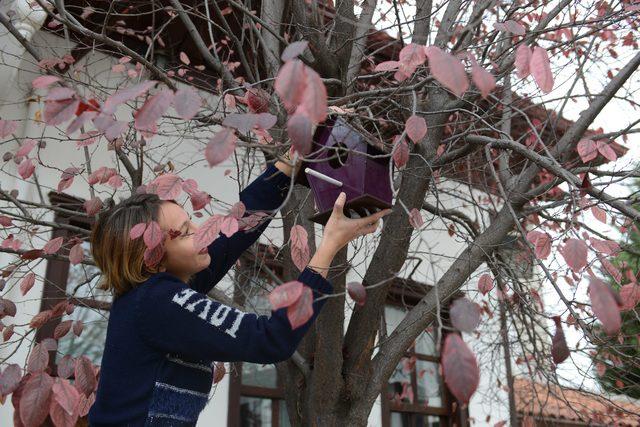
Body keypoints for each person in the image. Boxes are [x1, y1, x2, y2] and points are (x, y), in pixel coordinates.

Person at [87, 154, 391, 426]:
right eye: (183, 234)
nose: (201, 231)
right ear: (150, 258)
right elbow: (272, 339)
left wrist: (292, 158)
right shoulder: (157, 301)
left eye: (191, 222)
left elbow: (237, 230)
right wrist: (329, 245)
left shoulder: (154, 292)